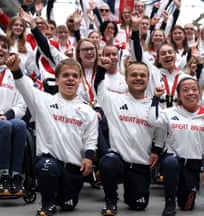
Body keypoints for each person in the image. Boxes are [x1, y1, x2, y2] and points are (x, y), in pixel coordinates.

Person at [6, 56, 98, 216]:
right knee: (46, 166)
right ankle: (47, 204)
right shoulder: (43, 101)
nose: (70, 79)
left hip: (73, 170)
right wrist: (15, 70)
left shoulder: (88, 112)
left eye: (75, 76)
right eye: (66, 75)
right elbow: (25, 87)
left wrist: (89, 157)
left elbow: (91, 138)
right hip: (49, 161)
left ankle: (61, 196)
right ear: (57, 80)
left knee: (68, 205)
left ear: (80, 81)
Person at [94, 60, 165, 216]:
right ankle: (110, 200)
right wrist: (101, 69)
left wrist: (156, 150)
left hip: (140, 163)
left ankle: (131, 192)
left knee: (138, 205)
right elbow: (98, 88)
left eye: (142, 75)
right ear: (125, 79)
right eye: (133, 75)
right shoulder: (114, 100)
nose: (138, 78)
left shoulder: (155, 105)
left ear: (148, 79)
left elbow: (160, 131)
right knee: (107, 161)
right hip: (118, 160)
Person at [149, 77, 204, 216]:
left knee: (187, 206)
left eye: (194, 89)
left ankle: (181, 191)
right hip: (173, 159)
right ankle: (169, 201)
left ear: (199, 92)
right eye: (185, 90)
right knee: (171, 163)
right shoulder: (170, 112)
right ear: (179, 96)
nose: (190, 93)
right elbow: (153, 120)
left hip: (193, 164)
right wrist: (155, 98)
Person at [0, 34, 27, 197]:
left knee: (20, 125)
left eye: (4, 47)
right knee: (6, 126)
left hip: (7, 119)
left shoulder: (14, 75)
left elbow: (22, 103)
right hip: (3, 123)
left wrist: (8, 115)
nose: (0, 49)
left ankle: (16, 175)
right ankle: (3, 175)